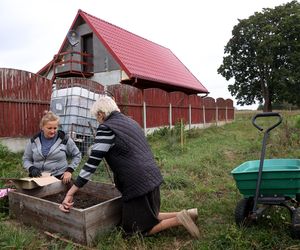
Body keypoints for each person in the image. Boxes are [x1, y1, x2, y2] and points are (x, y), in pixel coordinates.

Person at [59, 96, 200, 238]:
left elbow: (91, 164)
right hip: (152, 179)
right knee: (150, 215)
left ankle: (179, 220)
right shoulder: (131, 122)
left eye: (97, 117)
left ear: (101, 114)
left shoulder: (106, 128)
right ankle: (188, 213)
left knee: (133, 232)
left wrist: (71, 192)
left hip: (137, 185)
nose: (97, 120)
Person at [22, 111, 82, 184]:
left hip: (59, 179)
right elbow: (26, 159)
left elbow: (77, 155)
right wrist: (31, 168)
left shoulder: (64, 139)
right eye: (49, 128)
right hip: (38, 178)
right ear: (42, 127)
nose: (53, 131)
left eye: (55, 128)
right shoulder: (34, 140)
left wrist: (69, 170)